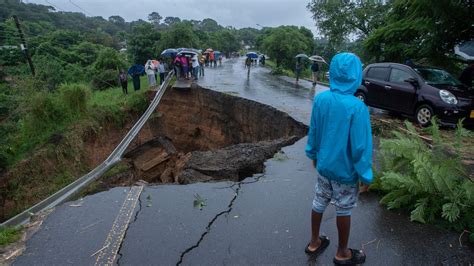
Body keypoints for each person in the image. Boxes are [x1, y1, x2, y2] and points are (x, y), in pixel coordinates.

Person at [305, 53, 372, 265]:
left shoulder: (321, 99)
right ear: (356, 75)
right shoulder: (357, 107)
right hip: (346, 172)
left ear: (332, 71)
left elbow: (314, 131)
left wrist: (314, 155)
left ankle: (314, 242)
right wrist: (365, 174)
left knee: (319, 201)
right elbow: (360, 146)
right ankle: (342, 252)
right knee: (343, 208)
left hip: (324, 167)